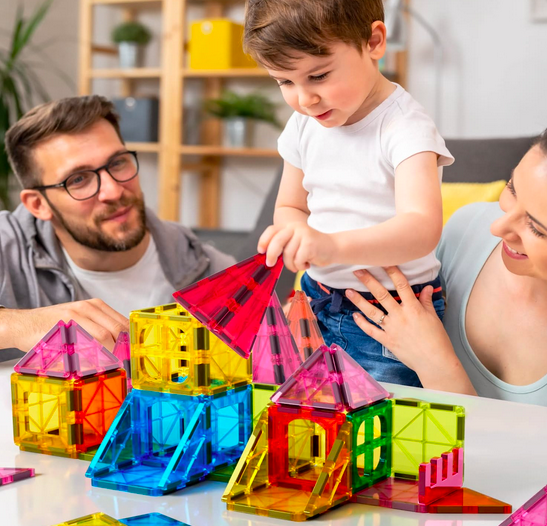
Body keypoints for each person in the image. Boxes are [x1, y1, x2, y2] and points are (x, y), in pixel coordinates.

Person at [244, 0, 453, 385]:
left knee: (378, 427)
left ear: (373, 42)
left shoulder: (405, 128)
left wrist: (331, 246)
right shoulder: (303, 125)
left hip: (388, 315)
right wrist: (293, 233)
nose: (304, 100)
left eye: (319, 76)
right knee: (300, 415)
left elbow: (422, 228)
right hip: (315, 297)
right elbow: (290, 205)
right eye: (285, 82)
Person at [0, 95, 235, 355]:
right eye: (78, 179)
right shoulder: (6, 245)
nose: (113, 191)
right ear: (38, 205)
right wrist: (20, 324)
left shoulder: (212, 272)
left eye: (117, 163)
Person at [346, 131, 547, 405]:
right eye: (512, 189)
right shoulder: (467, 227)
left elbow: (509, 448)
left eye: (537, 228)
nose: (497, 227)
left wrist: (437, 366)